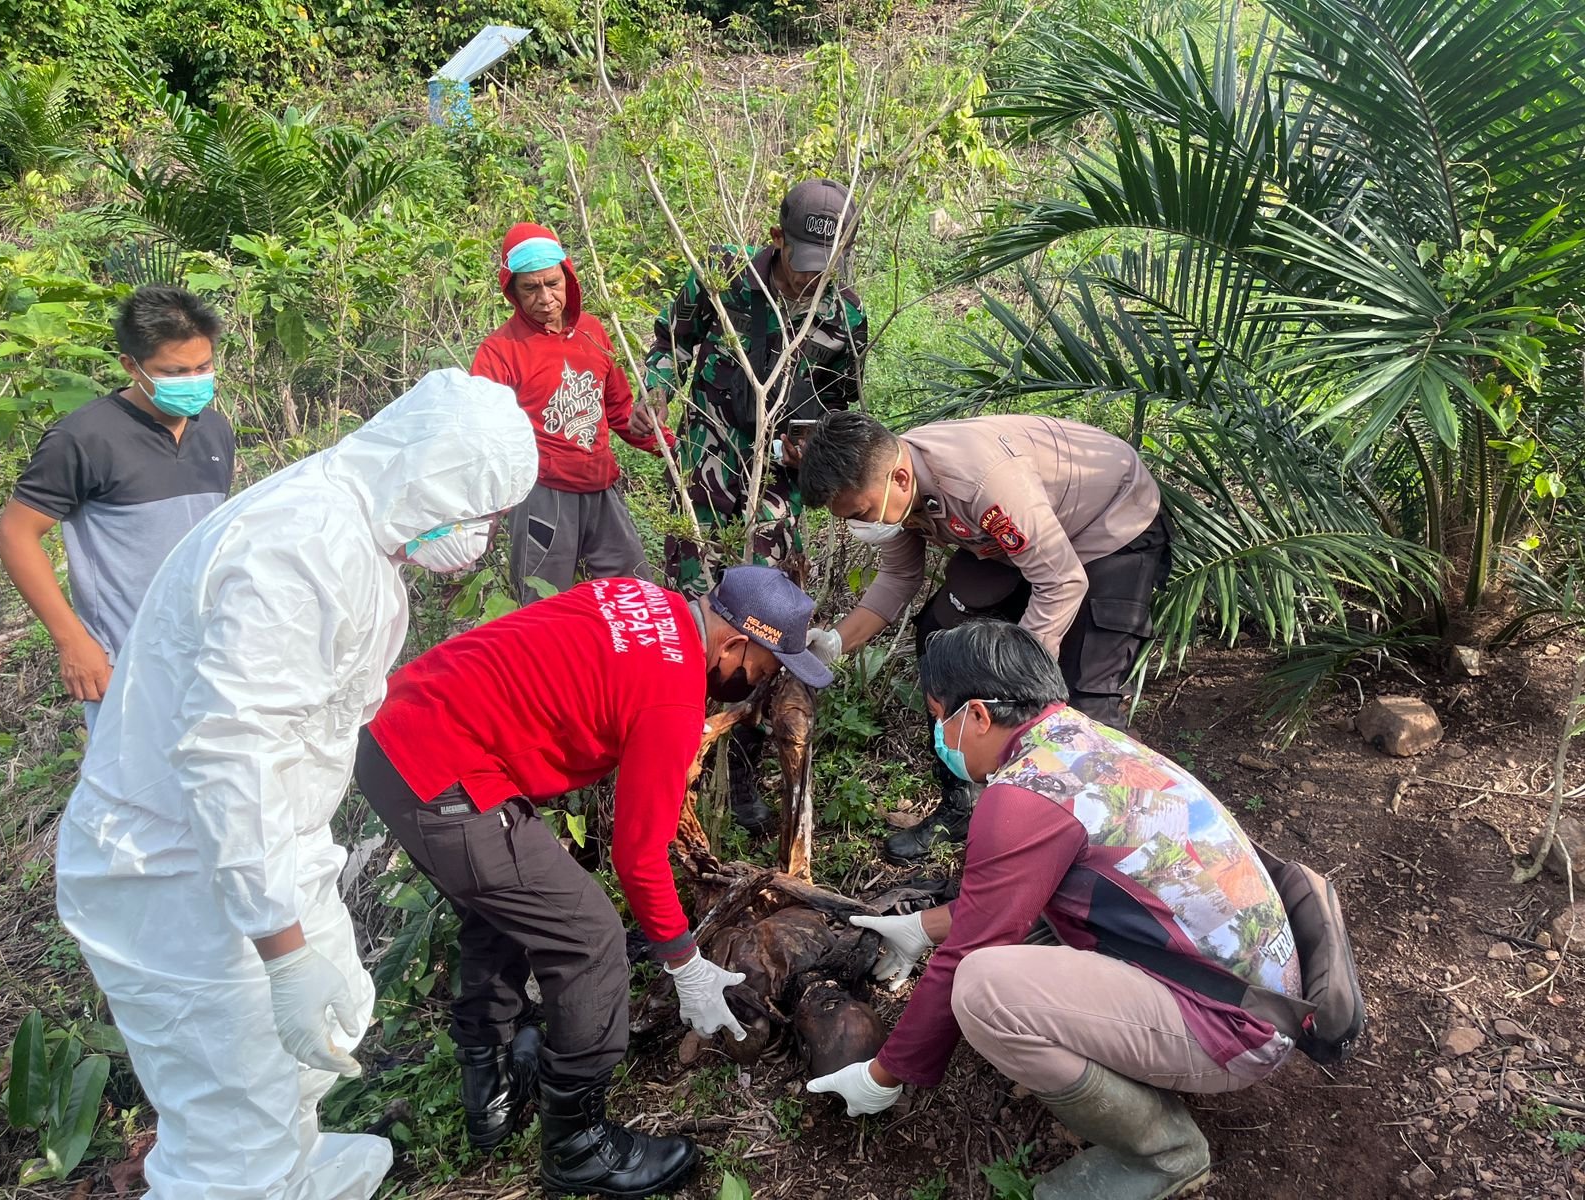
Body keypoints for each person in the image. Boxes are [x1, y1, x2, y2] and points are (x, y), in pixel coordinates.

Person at [55, 369, 539, 1200]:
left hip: (261, 850)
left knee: (311, 1045)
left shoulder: (352, 528)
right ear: (431, 479)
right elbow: (228, 761)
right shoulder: (296, 552)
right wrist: (282, 951)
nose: (480, 534)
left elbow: (305, 731)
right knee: (234, 1118)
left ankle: (295, 1163)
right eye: (479, 511)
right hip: (177, 878)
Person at [353, 565, 831, 1197]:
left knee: (504, 905)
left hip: (395, 731)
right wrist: (684, 962)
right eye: (765, 669)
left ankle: (490, 1094)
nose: (762, 684)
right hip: (442, 772)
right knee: (589, 938)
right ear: (735, 645)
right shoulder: (673, 697)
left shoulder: (638, 596)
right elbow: (640, 857)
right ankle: (577, 1146)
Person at [806, 620, 1299, 1200]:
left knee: (983, 989)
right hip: (1258, 993)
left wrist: (882, 1075)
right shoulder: (1080, 741)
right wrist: (919, 927)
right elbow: (1017, 897)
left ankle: (1166, 1155)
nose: (938, 734)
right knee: (1018, 944)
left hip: (1232, 1027)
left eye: (939, 716)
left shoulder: (1023, 797)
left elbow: (971, 953)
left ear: (978, 715)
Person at [798, 410, 1171, 861]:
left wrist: (1016, 678)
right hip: (1021, 545)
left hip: (1108, 525)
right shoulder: (892, 491)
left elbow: (1061, 582)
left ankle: (1116, 845)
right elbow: (898, 577)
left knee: (1083, 696)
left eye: (859, 514)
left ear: (900, 478)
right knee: (941, 639)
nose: (859, 526)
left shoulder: (982, 484)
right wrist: (834, 643)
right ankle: (962, 805)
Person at [638, 178, 866, 830]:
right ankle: (673, 764)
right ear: (775, 240)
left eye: (825, 267)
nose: (809, 280)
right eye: (801, 262)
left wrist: (812, 449)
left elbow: (840, 407)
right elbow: (669, 342)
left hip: (776, 498)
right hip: (705, 483)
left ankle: (740, 777)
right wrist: (657, 389)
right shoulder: (722, 277)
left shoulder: (844, 316)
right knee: (693, 624)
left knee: (764, 634)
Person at [0, 284, 234, 729]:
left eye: (203, 367)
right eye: (174, 371)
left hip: (209, 654)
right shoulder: (84, 438)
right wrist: (72, 642)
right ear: (130, 365)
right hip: (126, 663)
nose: (193, 381)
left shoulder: (215, 429)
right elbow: (15, 535)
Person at [472, 223, 674, 604]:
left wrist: (670, 446)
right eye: (530, 288)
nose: (545, 298)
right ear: (512, 290)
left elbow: (619, 409)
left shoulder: (592, 331)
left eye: (553, 283)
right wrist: (488, 508)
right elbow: (483, 438)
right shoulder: (499, 351)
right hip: (542, 496)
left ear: (568, 276)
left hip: (601, 487)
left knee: (637, 596)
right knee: (542, 606)